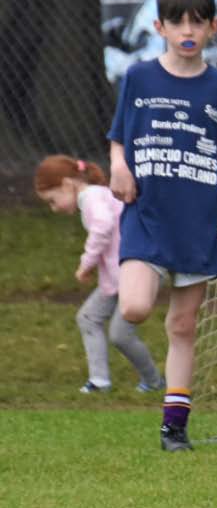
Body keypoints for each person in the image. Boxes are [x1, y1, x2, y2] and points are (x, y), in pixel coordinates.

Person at [108, 0, 217, 451]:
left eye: (197, 21)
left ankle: (174, 426)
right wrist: (117, 168)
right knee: (134, 307)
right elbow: (119, 137)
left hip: (198, 220)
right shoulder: (140, 77)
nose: (187, 30)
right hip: (146, 214)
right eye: (177, 21)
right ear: (160, 26)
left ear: (213, 26)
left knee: (182, 326)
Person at [34, 155, 164, 395]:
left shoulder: (91, 197)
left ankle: (155, 381)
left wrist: (86, 264)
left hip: (133, 275)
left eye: (53, 201)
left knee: (120, 335)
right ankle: (99, 381)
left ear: (67, 184)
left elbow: (103, 226)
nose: (54, 209)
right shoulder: (99, 194)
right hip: (116, 279)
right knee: (88, 317)